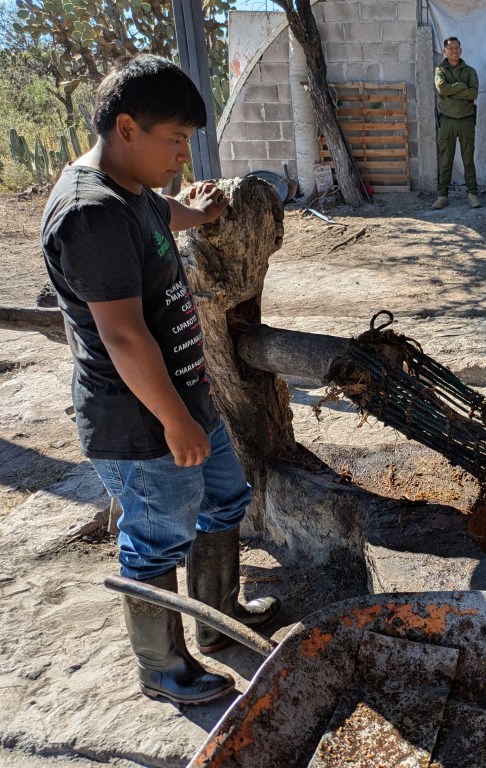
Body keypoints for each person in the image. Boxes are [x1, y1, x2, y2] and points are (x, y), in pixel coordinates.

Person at [40, 54, 280, 705]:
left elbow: (153, 220)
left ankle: (217, 614)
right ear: (127, 127)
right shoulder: (89, 215)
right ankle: (163, 668)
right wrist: (174, 421)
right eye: (173, 140)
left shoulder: (131, 191)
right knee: (154, 542)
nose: (182, 156)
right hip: (141, 422)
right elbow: (122, 334)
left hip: (185, 399)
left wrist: (192, 213)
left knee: (225, 497)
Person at [433, 36, 481, 210]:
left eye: (457, 48)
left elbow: (473, 93)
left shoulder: (469, 71)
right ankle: (442, 195)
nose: (454, 50)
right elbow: (441, 88)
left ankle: (472, 193)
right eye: (450, 48)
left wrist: (452, 91)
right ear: (444, 51)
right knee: (446, 159)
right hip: (447, 121)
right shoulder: (440, 71)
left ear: (460, 50)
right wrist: (462, 86)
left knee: (468, 158)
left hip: (466, 120)